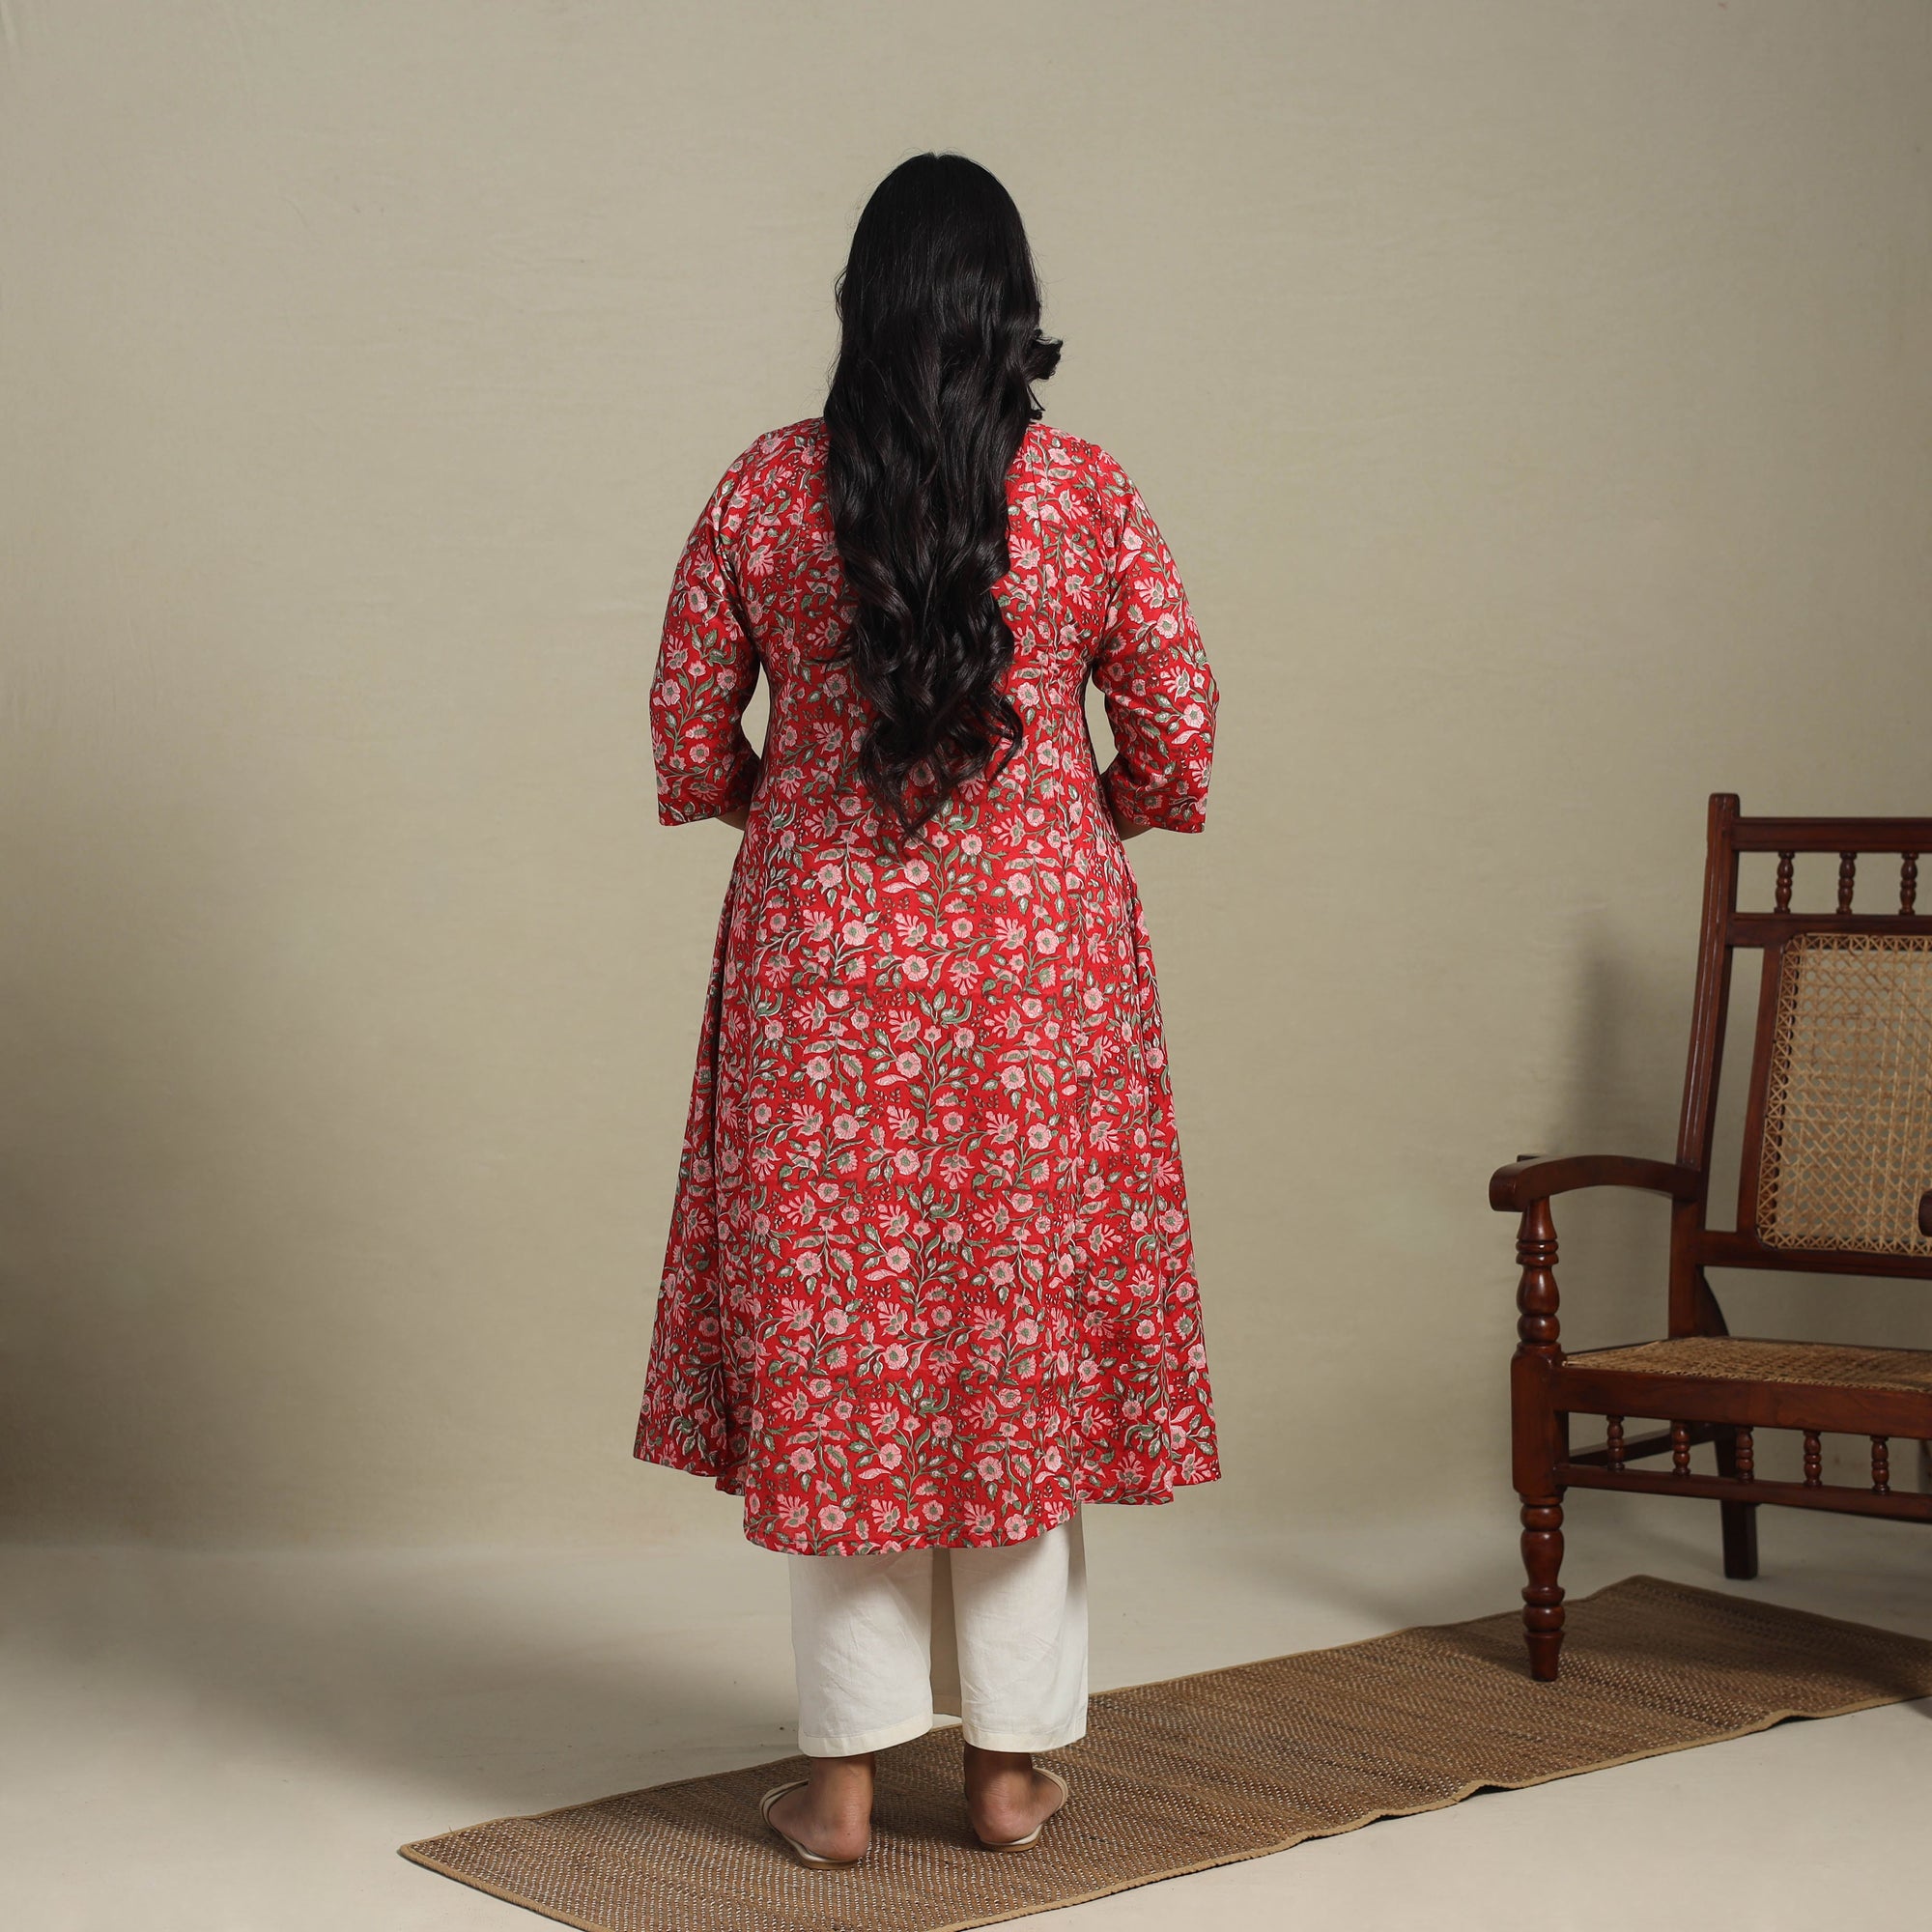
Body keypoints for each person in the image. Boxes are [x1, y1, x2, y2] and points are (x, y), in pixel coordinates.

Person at [633, 152, 1221, 1867]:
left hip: (822, 977)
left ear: (860, 306)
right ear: (1014, 316)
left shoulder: (764, 492)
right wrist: (1066, 832)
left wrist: (807, 816)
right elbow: (1178, 740)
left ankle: (836, 1788)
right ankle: (1011, 1777)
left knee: (847, 1356)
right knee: (1014, 1348)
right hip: (1041, 982)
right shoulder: (1089, 495)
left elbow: (688, 743)